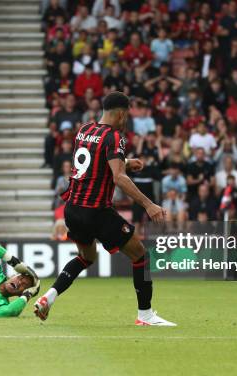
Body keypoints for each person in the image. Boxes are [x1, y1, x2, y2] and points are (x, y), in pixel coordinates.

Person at [35, 91, 175, 326]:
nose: (126, 119)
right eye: (127, 114)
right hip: (96, 210)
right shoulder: (115, 136)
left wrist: (127, 162)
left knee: (86, 257)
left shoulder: (84, 130)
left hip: (73, 208)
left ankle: (49, 297)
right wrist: (148, 204)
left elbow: (93, 161)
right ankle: (146, 315)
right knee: (140, 254)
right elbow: (118, 177)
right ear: (120, 113)